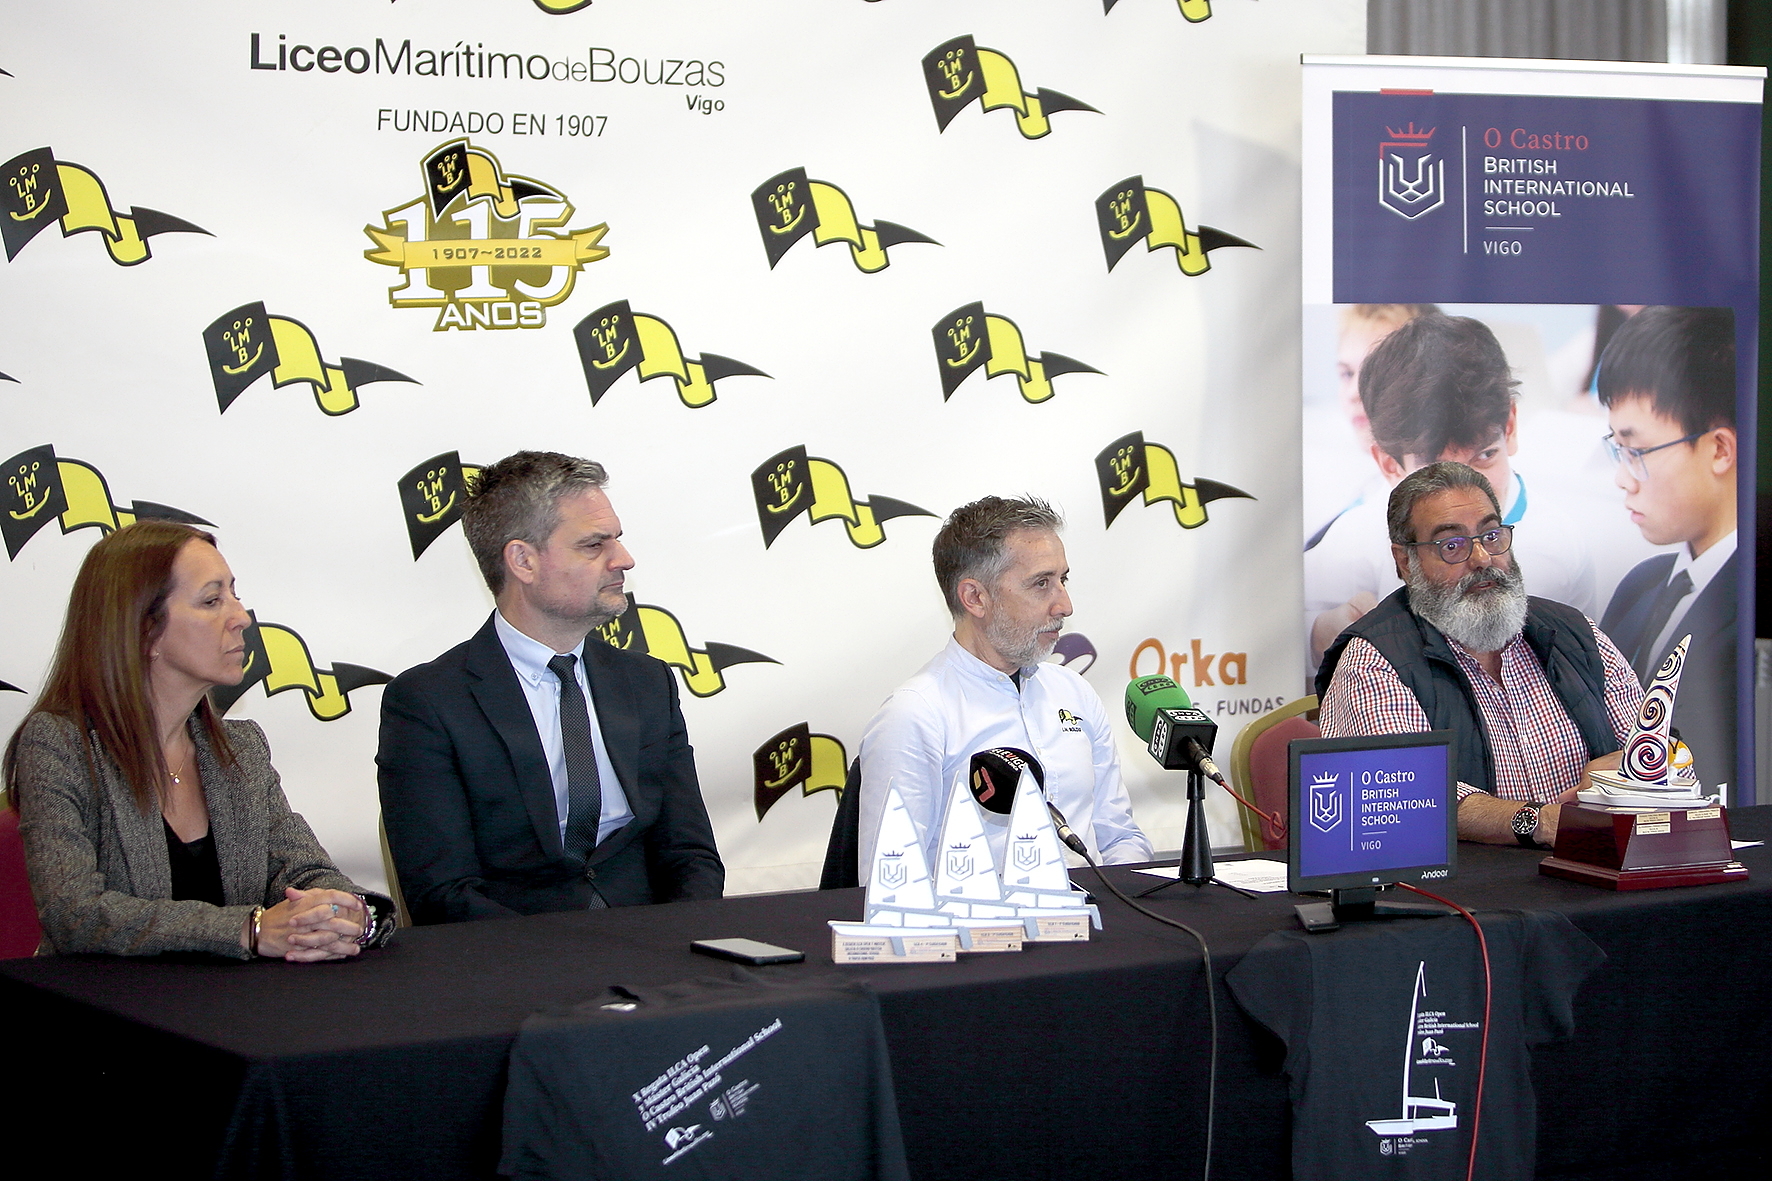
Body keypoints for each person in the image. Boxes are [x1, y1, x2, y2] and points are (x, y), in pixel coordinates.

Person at [5, 520, 391, 959]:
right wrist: (250, 928)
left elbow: (306, 870)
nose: (241, 617)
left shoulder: (241, 748)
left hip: (233, 1014)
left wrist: (351, 913)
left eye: (234, 594)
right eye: (211, 600)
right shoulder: (58, 745)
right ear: (143, 631)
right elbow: (75, 914)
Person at [377, 451, 722, 924]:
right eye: (593, 545)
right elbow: (442, 891)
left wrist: (677, 939)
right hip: (516, 964)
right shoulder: (428, 702)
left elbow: (690, 853)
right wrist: (560, 960)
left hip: (653, 947)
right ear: (522, 561)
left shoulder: (647, 682)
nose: (624, 559)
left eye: (616, 540)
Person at [1316, 463, 1645, 848]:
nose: (1482, 558)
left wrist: (1634, 767)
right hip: (1466, 892)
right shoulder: (1375, 661)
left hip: (1593, 866)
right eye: (1452, 545)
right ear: (1406, 561)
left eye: (1491, 536)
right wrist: (1538, 822)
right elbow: (1407, 798)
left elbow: (1655, 744)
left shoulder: (1575, 633)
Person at [856, 496, 1150, 874]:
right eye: (1041, 584)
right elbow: (889, 880)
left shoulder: (1074, 693)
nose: (1065, 605)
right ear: (975, 597)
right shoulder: (915, 715)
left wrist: (1124, 913)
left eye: (1063, 579)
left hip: (1101, 922)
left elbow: (1120, 837)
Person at [1305, 312, 1596, 670]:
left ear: (1510, 426)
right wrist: (1319, 634)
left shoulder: (1554, 548)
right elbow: (1284, 622)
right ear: (1389, 465)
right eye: (1437, 474)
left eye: (1485, 456)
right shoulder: (1361, 531)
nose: (1469, 493)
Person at [1597, 306, 1738, 789]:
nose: (1622, 479)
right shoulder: (1641, 586)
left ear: (1719, 449)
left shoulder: (1753, 605)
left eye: (1637, 452)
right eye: (1616, 449)